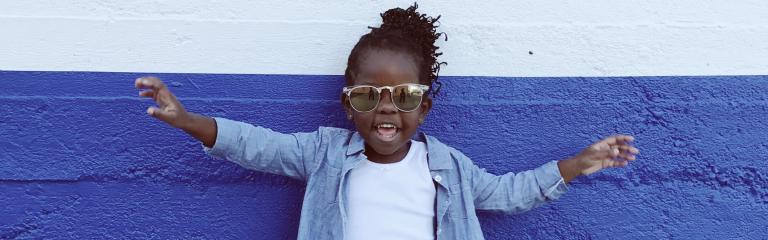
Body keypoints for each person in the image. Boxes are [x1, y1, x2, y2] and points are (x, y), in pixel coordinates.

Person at [134, 3, 638, 240]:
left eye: (404, 95)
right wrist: (187, 120)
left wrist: (574, 165)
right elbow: (257, 145)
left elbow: (506, 194)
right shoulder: (324, 153)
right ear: (348, 104)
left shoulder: (448, 166)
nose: (387, 107)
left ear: (425, 108)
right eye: (370, 95)